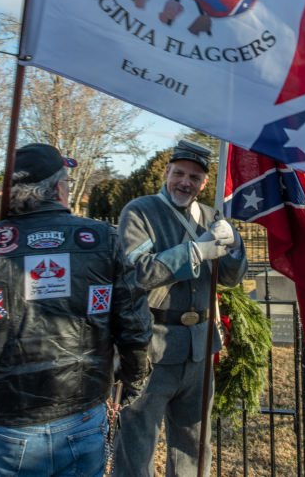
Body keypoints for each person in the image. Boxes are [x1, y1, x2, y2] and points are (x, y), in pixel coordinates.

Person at [0, 143, 151, 477]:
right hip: (76, 416)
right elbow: (135, 328)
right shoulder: (102, 239)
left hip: (15, 421)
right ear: (59, 188)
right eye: (68, 182)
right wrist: (132, 380)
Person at [113, 139, 248, 477]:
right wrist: (196, 251)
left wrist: (232, 247)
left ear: (204, 183)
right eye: (179, 173)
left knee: (194, 444)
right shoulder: (140, 211)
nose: (185, 182)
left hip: (199, 349)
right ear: (167, 172)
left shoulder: (211, 215)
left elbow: (231, 279)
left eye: (194, 177)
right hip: (152, 346)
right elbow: (138, 272)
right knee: (136, 443)